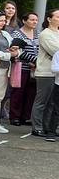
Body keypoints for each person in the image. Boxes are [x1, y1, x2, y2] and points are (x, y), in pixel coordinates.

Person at [32, 8, 59, 140]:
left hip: (56, 74)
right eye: (57, 16)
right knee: (42, 101)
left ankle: (48, 126)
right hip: (46, 71)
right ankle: (37, 127)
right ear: (49, 19)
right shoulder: (45, 34)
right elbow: (55, 50)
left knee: (52, 103)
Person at [9, 11, 39, 125]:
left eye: (36, 20)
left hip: (35, 69)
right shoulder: (17, 34)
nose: (34, 22)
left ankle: (25, 116)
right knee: (18, 92)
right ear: (24, 21)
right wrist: (33, 61)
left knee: (31, 94)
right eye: (32, 20)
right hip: (21, 67)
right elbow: (17, 51)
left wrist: (37, 63)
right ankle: (15, 116)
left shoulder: (38, 34)